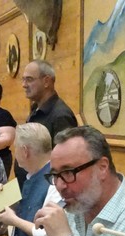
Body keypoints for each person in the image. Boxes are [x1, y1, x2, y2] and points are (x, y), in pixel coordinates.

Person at [0, 123, 61, 236]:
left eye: (15, 148)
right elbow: (30, 209)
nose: (15, 153)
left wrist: (13, 220)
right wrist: (3, 197)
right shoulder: (33, 175)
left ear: (25, 151)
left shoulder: (54, 182)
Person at [21, 59, 77, 189]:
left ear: (46, 81)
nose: (24, 85)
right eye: (23, 79)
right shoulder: (36, 109)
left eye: (29, 79)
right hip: (29, 188)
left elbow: (64, 164)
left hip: (45, 191)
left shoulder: (61, 116)